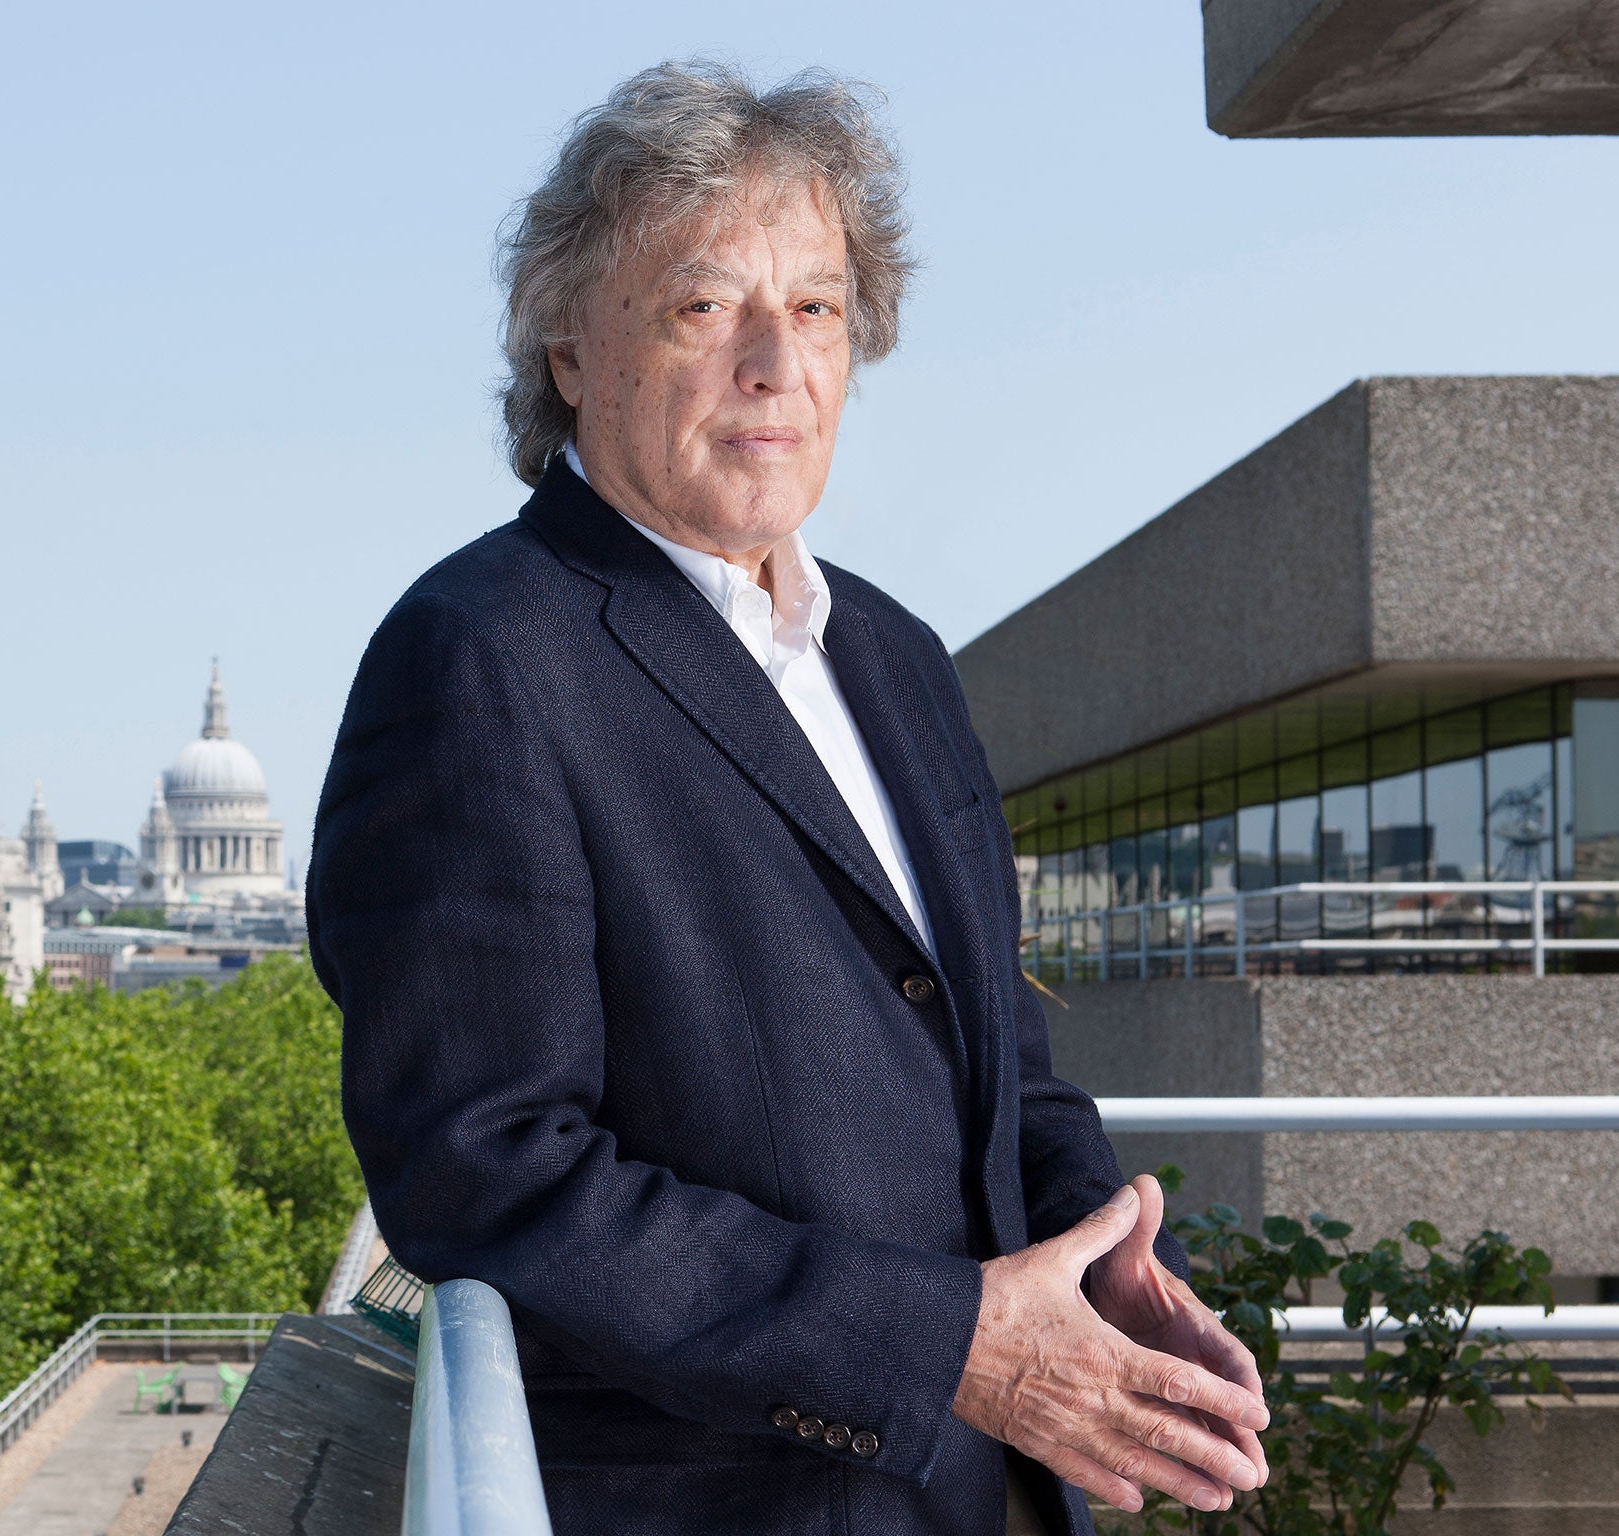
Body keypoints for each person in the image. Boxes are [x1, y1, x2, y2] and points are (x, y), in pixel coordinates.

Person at [308, 61, 1269, 1536]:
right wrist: (947, 1347)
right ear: (570, 346)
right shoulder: (480, 658)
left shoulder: (895, 655)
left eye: (816, 308)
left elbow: (996, 1051)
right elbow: (486, 1173)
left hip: (989, 1499)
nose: (777, 363)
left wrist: (1099, 1265)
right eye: (707, 307)